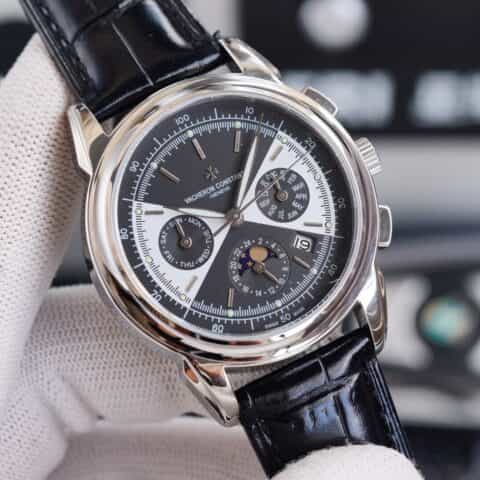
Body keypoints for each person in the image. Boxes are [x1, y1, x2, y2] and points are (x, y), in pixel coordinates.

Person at [0, 36, 422, 480]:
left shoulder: (246, 76)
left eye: (272, 194)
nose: (236, 217)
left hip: (328, 310)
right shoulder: (241, 76)